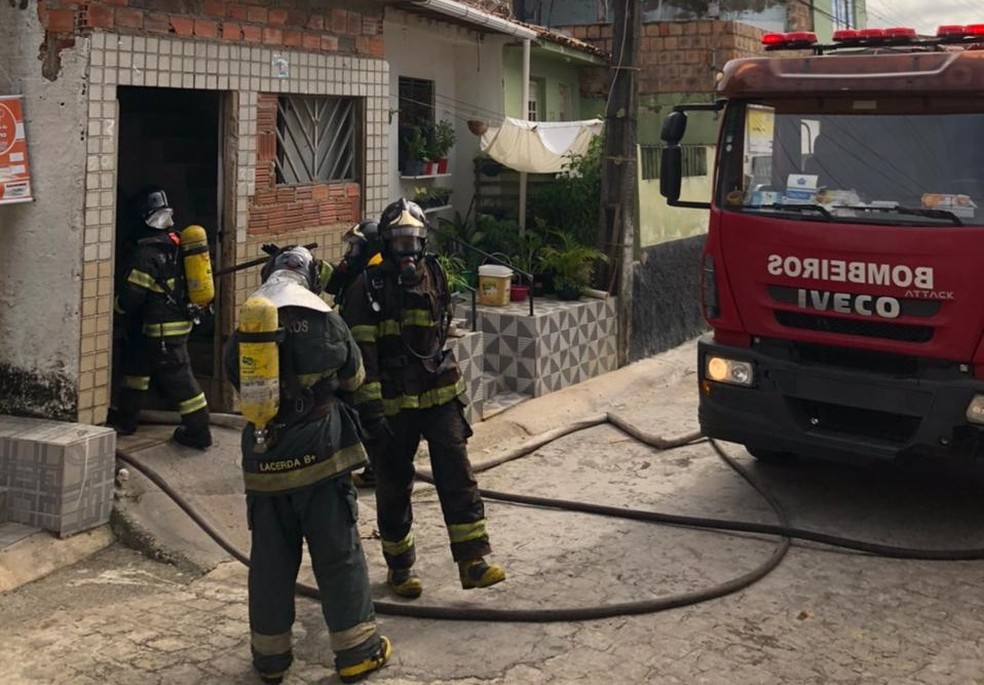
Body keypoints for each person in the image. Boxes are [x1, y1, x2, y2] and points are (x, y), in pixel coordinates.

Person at [224, 245, 391, 685]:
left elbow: (231, 373)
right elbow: (354, 377)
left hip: (263, 458)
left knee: (270, 563)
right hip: (321, 456)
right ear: (310, 277)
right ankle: (358, 652)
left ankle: (270, 660)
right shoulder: (322, 316)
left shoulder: (250, 317)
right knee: (338, 555)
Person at [341, 198, 506, 599]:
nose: (408, 251)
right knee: (394, 487)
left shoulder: (434, 274)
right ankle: (401, 568)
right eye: (399, 242)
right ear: (385, 243)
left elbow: (441, 327)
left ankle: (473, 560)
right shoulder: (368, 287)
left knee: (457, 473)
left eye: (413, 240)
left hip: (438, 391)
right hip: (394, 402)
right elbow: (365, 357)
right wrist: (371, 409)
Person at [110, 186, 212, 449]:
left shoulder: (145, 255)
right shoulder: (176, 244)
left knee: (180, 381)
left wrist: (116, 312)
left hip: (162, 330)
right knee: (136, 370)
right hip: (161, 326)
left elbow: (131, 297)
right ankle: (126, 419)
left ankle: (199, 432)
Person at [324, 220, 384, 489]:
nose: (350, 253)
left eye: (356, 247)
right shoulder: (358, 275)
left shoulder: (370, 280)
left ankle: (373, 469)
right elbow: (333, 283)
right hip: (354, 356)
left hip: (367, 361)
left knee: (364, 412)